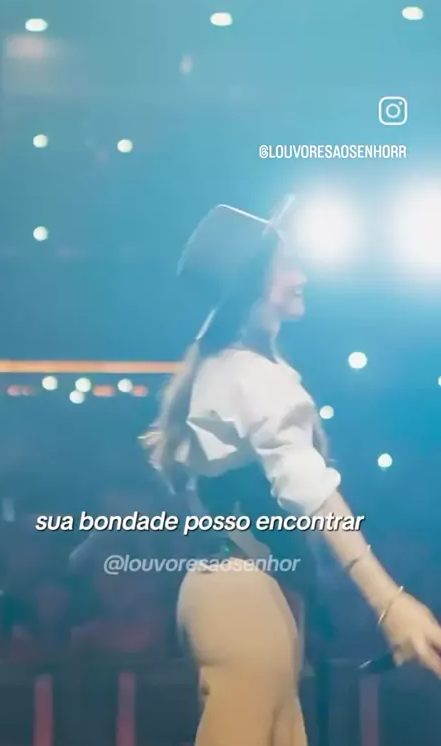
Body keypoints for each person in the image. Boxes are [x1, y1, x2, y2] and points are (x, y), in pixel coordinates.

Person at [143, 202, 441, 746]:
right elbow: (309, 489)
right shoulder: (250, 377)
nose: (302, 276)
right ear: (253, 284)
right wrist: (388, 601)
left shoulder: (231, 370)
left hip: (241, 591)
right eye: (287, 264)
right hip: (243, 594)